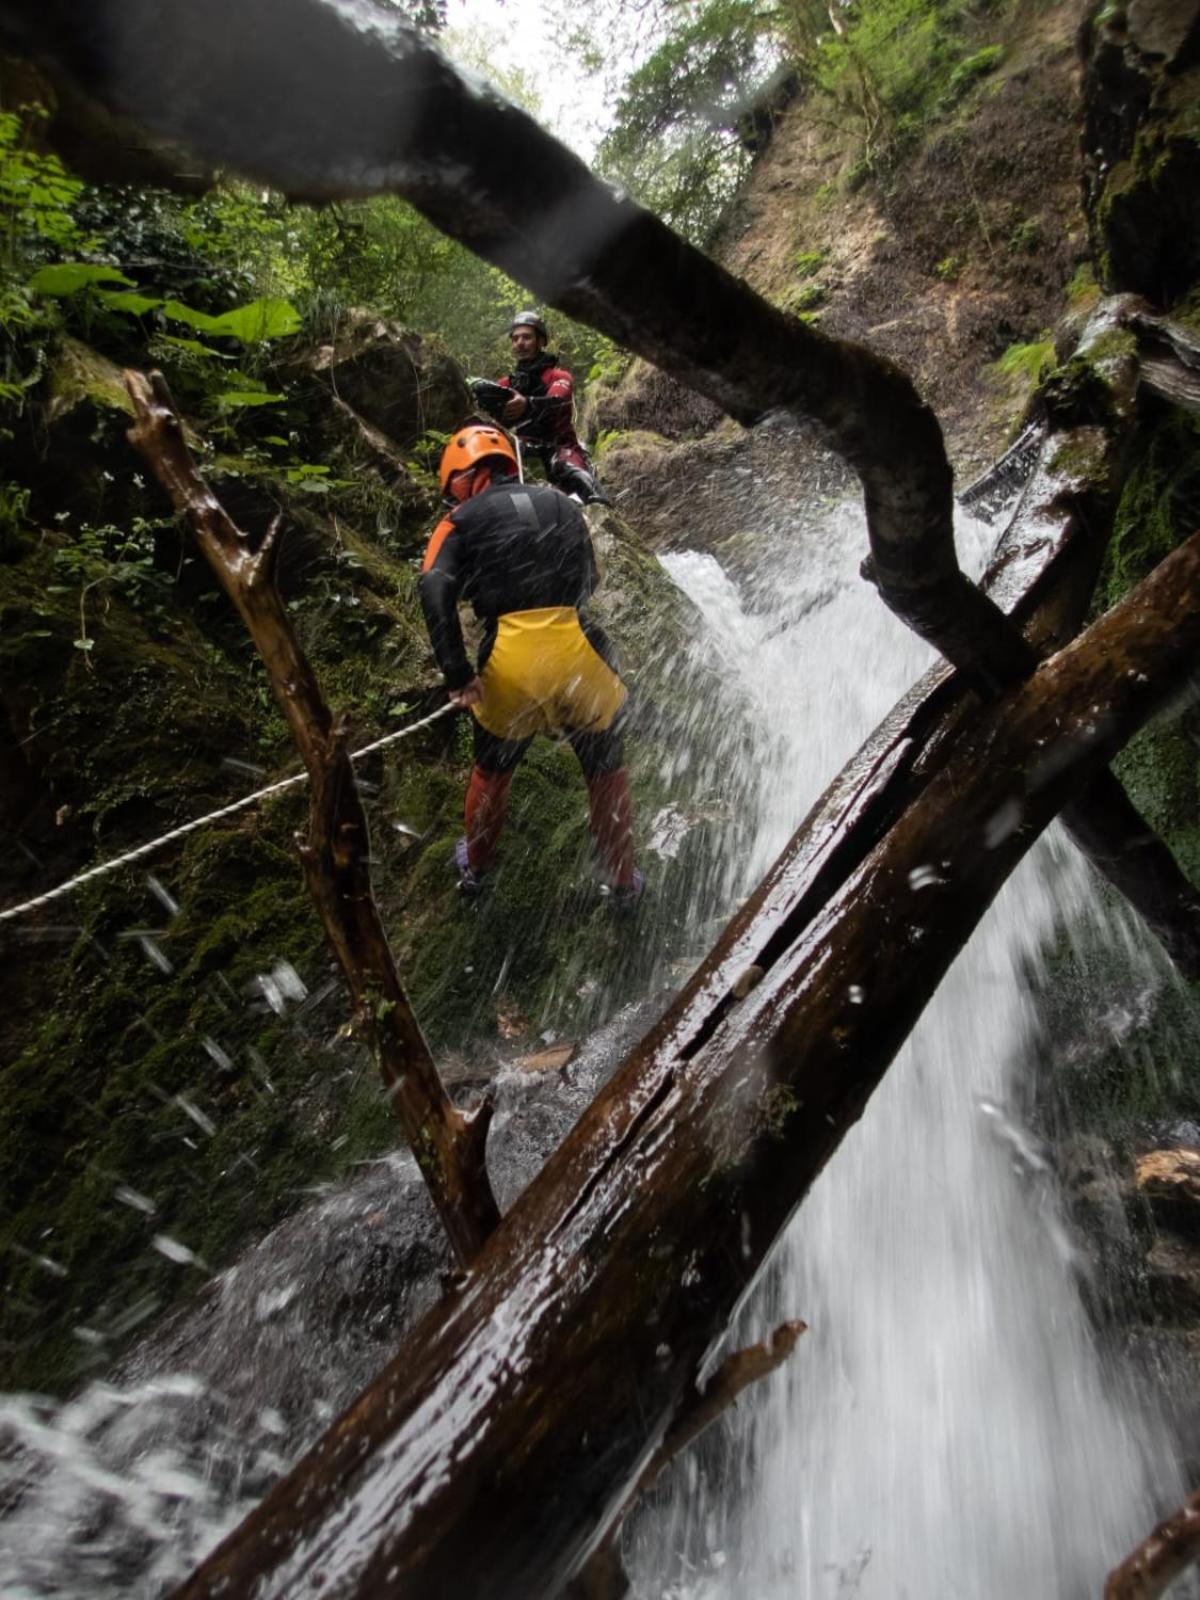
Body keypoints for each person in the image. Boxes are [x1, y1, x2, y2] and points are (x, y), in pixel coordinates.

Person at [418, 422, 644, 908]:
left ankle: (477, 869)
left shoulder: (458, 520)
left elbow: (434, 586)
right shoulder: (562, 503)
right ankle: (623, 879)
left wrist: (457, 673)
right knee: (606, 771)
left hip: (511, 661)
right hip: (583, 651)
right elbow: (588, 580)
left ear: (463, 476)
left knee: (492, 773)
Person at [473, 311, 607, 504]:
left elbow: (557, 400)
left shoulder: (558, 376)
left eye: (527, 337)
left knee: (575, 472)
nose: (520, 343)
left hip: (559, 449)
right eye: (516, 338)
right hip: (520, 452)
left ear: (541, 341)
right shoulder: (503, 385)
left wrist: (527, 404)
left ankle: (604, 511)